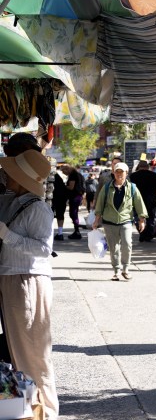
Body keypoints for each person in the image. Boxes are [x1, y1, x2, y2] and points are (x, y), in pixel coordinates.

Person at [0, 149, 60, 419]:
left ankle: (46, 409)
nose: (5, 175)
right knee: (19, 351)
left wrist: (8, 236)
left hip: (28, 280)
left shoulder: (39, 208)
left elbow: (43, 249)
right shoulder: (10, 200)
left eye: (11, 172)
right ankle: (31, 407)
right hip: (12, 278)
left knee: (33, 351)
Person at [92, 162, 147, 281]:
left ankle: (126, 269)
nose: (119, 174)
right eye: (117, 172)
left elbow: (139, 204)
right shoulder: (107, 187)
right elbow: (100, 205)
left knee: (127, 244)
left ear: (126, 173)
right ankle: (117, 270)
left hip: (126, 220)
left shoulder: (132, 187)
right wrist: (96, 220)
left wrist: (142, 220)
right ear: (113, 173)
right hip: (109, 221)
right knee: (114, 248)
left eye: (122, 172)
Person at [130, 161, 156, 243]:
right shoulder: (154, 175)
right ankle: (149, 235)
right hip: (151, 200)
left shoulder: (133, 176)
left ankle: (142, 232)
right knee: (151, 218)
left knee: (137, 217)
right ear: (147, 167)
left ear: (138, 167)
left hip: (137, 200)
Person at [61, 164, 86, 240]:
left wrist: (63, 186)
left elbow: (71, 187)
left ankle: (77, 231)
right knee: (74, 213)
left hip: (75, 196)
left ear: (67, 169)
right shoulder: (78, 174)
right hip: (78, 196)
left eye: (63, 171)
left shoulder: (73, 175)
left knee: (73, 213)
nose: (63, 173)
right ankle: (76, 231)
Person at [50, 164, 67, 241]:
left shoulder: (50, 176)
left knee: (49, 215)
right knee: (60, 215)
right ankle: (60, 233)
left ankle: (50, 233)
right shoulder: (59, 176)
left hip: (53, 198)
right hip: (62, 197)